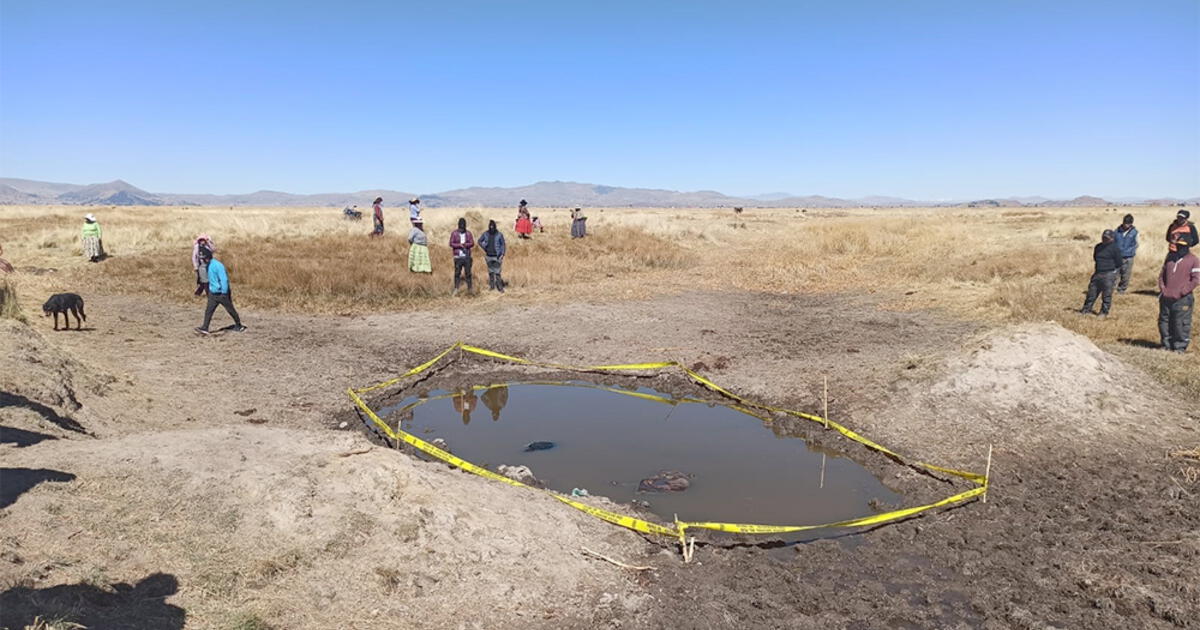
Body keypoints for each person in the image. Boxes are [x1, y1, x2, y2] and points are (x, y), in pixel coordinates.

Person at [1158, 232, 1200, 352]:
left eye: (1183, 246)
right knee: (1164, 321)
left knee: (1180, 323)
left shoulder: (1194, 260)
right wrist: (1163, 289)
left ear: (1188, 246)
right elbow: (1161, 275)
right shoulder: (1170, 257)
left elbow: (1196, 280)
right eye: (1179, 245)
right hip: (1166, 297)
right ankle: (1166, 344)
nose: (1180, 248)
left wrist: (1182, 292)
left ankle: (1179, 347)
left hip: (1183, 299)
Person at [195, 247, 245, 334]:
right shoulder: (207, 266)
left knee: (230, 309)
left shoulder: (218, 266)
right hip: (213, 293)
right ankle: (205, 327)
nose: (203, 260)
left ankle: (239, 325)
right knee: (208, 311)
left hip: (222, 293)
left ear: (209, 257)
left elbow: (224, 279)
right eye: (202, 259)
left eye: (204, 258)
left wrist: (224, 292)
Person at [1079, 229, 1123, 317]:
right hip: (1097, 273)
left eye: (1107, 238)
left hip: (1109, 274)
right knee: (1091, 293)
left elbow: (1119, 262)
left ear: (1112, 238)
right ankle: (1086, 310)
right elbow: (1095, 258)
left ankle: (1103, 312)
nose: (1104, 239)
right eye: (1103, 237)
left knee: (1106, 295)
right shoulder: (1098, 247)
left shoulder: (1115, 248)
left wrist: (1112, 271)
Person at [478, 219, 507, 293]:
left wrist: (502, 254)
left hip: (497, 256)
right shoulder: (486, 234)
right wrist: (484, 247)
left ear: (495, 227)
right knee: (491, 272)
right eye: (490, 226)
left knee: (497, 273)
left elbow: (503, 244)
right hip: (488, 256)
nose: (491, 228)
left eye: (493, 226)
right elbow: (479, 241)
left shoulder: (499, 234)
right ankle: (492, 287)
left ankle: (500, 287)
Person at [449, 217, 475, 294]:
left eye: (463, 228)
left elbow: (472, 243)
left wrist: (465, 245)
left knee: (468, 273)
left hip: (466, 256)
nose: (462, 229)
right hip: (458, 256)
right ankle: (456, 288)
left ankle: (470, 289)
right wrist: (459, 245)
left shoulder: (468, 233)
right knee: (457, 273)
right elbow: (451, 243)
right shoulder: (454, 233)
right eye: (460, 228)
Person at [1113, 214, 1138, 293]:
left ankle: (1122, 289)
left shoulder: (1134, 233)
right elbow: (1113, 242)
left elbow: (1137, 244)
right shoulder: (1116, 231)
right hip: (1117, 256)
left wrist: (1130, 252)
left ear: (1131, 224)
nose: (1126, 225)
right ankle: (1112, 288)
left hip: (1128, 257)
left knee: (1126, 274)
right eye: (1125, 223)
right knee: (1114, 273)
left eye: (1128, 224)